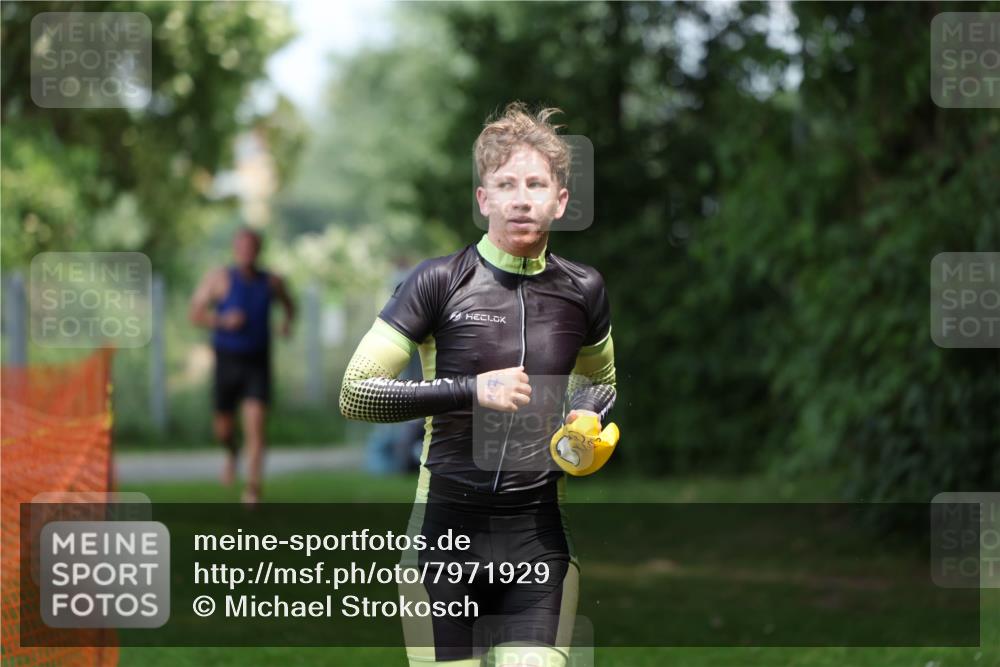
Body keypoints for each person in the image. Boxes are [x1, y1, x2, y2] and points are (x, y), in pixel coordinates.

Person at [340, 102, 616, 667]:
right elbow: (356, 392)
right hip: (442, 541)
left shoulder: (583, 289)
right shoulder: (437, 281)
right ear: (484, 199)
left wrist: (586, 415)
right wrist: (471, 389)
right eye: (506, 184)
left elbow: (601, 382)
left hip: (538, 542)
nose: (521, 199)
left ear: (560, 201)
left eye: (536, 184)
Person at [189, 227, 296, 505]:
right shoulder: (219, 279)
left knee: (256, 426)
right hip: (227, 361)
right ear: (235, 250)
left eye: (252, 247)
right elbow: (195, 314)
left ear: (259, 250)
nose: (247, 252)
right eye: (242, 247)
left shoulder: (272, 281)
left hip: (257, 363)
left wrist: (286, 324)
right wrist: (223, 321)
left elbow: (289, 305)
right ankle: (231, 452)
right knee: (223, 430)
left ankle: (253, 488)